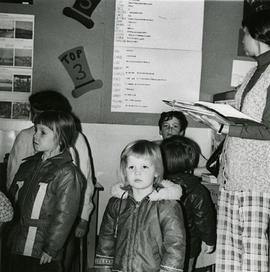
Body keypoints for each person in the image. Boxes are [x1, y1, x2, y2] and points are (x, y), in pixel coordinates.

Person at [196, 10, 270, 272]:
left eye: (245, 34)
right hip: (234, 175)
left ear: (257, 34)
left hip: (258, 179)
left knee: (252, 253)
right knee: (229, 252)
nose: (242, 40)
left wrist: (225, 128)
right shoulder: (253, 71)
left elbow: (268, 130)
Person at [6, 90, 95, 271]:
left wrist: (83, 218)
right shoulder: (29, 159)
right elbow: (13, 185)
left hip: (50, 234)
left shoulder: (68, 170)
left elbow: (67, 209)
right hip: (23, 233)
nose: (35, 133)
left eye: (42, 130)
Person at [95, 140, 186, 272]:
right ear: (124, 171)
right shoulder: (116, 203)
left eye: (144, 167)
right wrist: (103, 268)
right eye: (131, 167)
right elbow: (105, 239)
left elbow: (175, 246)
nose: (137, 173)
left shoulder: (167, 207)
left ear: (156, 171)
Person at [161, 135, 216, 272]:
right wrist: (209, 240)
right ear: (190, 161)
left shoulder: (157, 185)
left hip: (161, 241)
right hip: (188, 244)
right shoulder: (197, 189)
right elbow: (204, 217)